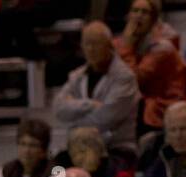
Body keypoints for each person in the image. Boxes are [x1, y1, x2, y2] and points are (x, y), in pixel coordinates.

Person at [53, 21, 140, 154]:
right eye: (87, 43)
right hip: (81, 149)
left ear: (109, 45)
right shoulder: (76, 75)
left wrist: (74, 125)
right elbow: (59, 108)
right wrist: (89, 104)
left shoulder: (125, 77)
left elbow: (106, 118)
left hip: (116, 148)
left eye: (96, 43)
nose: (91, 49)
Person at [116, 0, 186, 132]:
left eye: (144, 12)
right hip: (140, 107)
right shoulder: (124, 42)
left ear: (153, 19)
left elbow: (134, 81)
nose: (138, 16)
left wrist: (126, 47)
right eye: (135, 11)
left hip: (161, 110)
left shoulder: (163, 48)